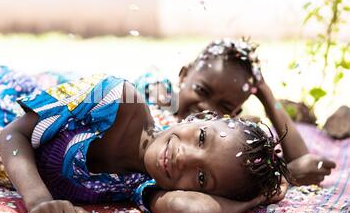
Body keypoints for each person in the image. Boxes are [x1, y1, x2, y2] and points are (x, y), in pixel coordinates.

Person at [0, 67, 291, 213]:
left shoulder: (143, 182)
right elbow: (11, 137)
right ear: (197, 117)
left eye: (202, 178)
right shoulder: (117, 99)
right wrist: (38, 200)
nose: (185, 158)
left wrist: (257, 197)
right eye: (201, 139)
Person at [134, 38, 336, 186]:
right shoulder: (158, 95)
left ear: (234, 114)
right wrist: (286, 176)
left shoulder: (220, 143)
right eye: (201, 90)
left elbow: (302, 161)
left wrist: (267, 96)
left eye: (224, 107)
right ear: (184, 75)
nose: (207, 108)